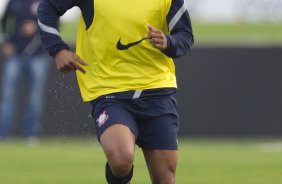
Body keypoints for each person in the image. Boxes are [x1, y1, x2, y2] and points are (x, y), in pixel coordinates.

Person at [37, 0, 193, 183]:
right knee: (121, 160)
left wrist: (169, 42)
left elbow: (185, 36)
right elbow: (47, 7)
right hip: (109, 90)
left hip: (156, 91)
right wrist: (58, 49)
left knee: (164, 178)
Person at [0, 0, 50, 142]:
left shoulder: (45, 2)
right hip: (15, 54)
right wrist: (6, 42)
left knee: (35, 98)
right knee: (8, 96)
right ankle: (4, 134)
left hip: (38, 56)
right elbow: (4, 21)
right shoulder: (15, 1)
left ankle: (30, 134)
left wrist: (36, 27)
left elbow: (56, 22)